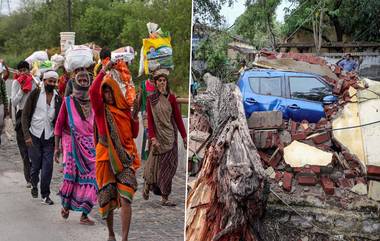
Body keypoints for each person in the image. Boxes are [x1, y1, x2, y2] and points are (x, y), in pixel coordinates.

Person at [90, 60, 140, 241]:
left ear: (116, 92)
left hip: (125, 158)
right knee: (108, 199)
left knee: (126, 197)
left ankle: (124, 238)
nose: (107, 94)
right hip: (105, 158)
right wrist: (103, 71)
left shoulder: (125, 110)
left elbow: (133, 134)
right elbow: (92, 92)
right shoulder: (100, 111)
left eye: (110, 90)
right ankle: (111, 234)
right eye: (104, 91)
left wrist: (134, 118)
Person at [54, 70, 97, 224]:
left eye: (86, 79)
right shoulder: (67, 101)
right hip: (70, 144)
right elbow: (59, 125)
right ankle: (66, 205)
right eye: (81, 79)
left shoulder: (94, 100)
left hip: (90, 146)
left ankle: (85, 214)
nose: (84, 81)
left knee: (93, 179)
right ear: (75, 82)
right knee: (71, 177)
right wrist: (57, 148)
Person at [143, 69, 187, 206]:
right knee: (158, 167)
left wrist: (184, 136)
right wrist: (153, 138)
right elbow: (150, 120)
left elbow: (178, 118)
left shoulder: (172, 98)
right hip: (158, 138)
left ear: (167, 82)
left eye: (164, 80)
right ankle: (163, 196)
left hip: (170, 136)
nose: (162, 83)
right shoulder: (152, 99)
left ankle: (159, 191)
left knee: (171, 166)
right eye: (159, 81)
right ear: (155, 83)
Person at [21, 70, 62, 204]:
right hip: (34, 136)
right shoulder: (35, 94)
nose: (51, 83)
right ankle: (34, 184)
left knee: (48, 167)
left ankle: (45, 195)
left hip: (49, 137)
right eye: (49, 81)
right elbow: (25, 115)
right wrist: (27, 136)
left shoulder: (57, 98)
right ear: (44, 81)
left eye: (54, 82)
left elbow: (59, 121)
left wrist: (58, 141)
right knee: (36, 165)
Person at [11, 61, 35, 187]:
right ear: (18, 72)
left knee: (33, 146)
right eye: (21, 70)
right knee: (23, 149)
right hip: (21, 115)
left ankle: (34, 172)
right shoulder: (16, 83)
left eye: (25, 70)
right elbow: (14, 102)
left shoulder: (33, 82)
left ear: (29, 70)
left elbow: (36, 99)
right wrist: (22, 90)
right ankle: (28, 178)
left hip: (32, 115)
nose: (23, 72)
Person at [0, 59, 9, 145]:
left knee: (1, 123)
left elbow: (4, 94)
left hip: (1, 104)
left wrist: (6, 107)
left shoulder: (1, 81)